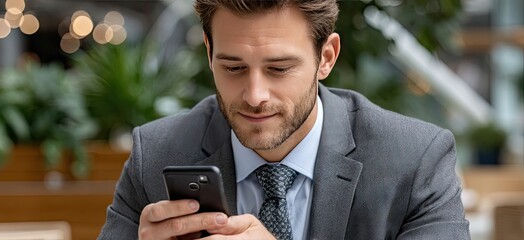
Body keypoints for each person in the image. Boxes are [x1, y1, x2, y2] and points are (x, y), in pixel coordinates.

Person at [98, 0, 470, 239]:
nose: (254, 95)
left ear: (326, 57)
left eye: (278, 69)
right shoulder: (157, 153)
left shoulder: (414, 159)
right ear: (209, 53)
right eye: (233, 67)